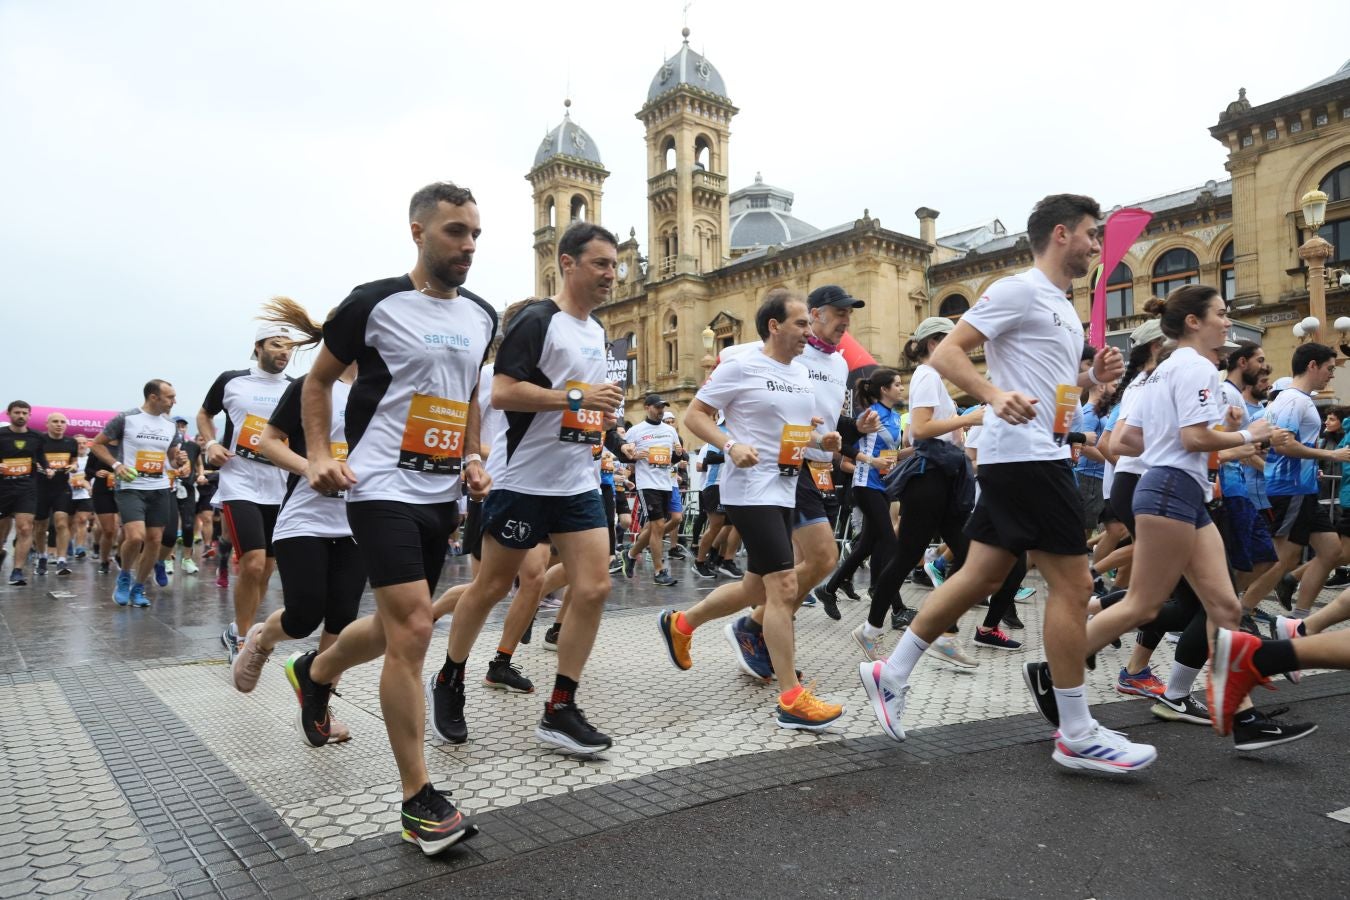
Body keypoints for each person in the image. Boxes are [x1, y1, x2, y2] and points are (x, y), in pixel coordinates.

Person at [857, 194, 1152, 773]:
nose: (1098, 246)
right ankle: (1076, 731)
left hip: (1032, 452)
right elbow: (946, 354)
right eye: (1092, 234)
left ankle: (889, 674)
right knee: (1072, 586)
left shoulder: (1063, 306)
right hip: (1022, 458)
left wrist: (1093, 381)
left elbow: (1051, 388)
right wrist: (992, 395)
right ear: (1061, 233)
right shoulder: (1018, 288)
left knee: (980, 575)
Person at [284, 181, 494, 855]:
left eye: (474, 235)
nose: (467, 245)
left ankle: (314, 672)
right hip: (378, 487)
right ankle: (418, 801)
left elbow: (463, 400)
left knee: (404, 622)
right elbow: (317, 382)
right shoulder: (373, 303)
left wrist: (472, 456)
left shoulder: (483, 315)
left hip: (439, 497)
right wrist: (318, 453)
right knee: (411, 628)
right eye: (455, 232)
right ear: (418, 232)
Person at [429, 221, 622, 757]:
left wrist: (593, 423)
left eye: (615, 265)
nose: (611, 274)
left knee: (595, 587)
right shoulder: (540, 320)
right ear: (568, 262)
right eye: (601, 264)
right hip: (524, 482)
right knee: (490, 587)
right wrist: (578, 399)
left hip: (577, 482)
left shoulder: (596, 330)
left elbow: (576, 404)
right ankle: (450, 677)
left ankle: (560, 707)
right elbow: (505, 392)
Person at [657, 284, 872, 683]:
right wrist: (731, 443)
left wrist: (830, 437)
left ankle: (684, 623)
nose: (842, 321)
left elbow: (800, 425)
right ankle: (787, 689)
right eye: (809, 320)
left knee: (761, 587)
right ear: (781, 324)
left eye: (849, 314)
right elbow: (700, 410)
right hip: (755, 484)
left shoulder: (821, 369)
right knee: (786, 584)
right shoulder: (748, 360)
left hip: (793, 475)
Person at [230, 302, 362, 749]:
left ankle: (318, 703)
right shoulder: (313, 385)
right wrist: (311, 467)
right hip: (306, 517)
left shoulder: (384, 392)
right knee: (305, 615)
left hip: (359, 520)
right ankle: (261, 639)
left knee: (342, 619)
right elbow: (269, 440)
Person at [849, 319, 995, 663]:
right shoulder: (927, 376)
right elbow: (921, 429)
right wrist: (967, 420)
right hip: (929, 479)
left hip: (942, 477)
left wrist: (960, 424)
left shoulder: (934, 379)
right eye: (955, 342)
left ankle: (944, 632)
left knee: (968, 557)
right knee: (906, 556)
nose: (963, 348)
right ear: (935, 343)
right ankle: (873, 630)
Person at [199, 319, 300, 660]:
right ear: (257, 347)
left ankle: (235, 628)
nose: (283, 352)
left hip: (280, 485)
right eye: (275, 344)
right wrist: (211, 442)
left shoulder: (297, 386)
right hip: (239, 481)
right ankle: (243, 638)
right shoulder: (232, 381)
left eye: (288, 346)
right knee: (253, 563)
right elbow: (204, 413)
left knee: (267, 567)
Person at [1238, 343, 1348, 619]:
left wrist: (1312, 466)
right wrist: (1330, 453)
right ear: (1312, 365)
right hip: (1291, 489)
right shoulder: (1293, 399)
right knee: (1283, 558)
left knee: (1331, 550)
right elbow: (1284, 445)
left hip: (1303, 488)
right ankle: (1239, 612)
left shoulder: (1298, 399)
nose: (1332, 375)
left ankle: (1300, 618)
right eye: (1329, 369)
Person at [813, 367, 904, 621]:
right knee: (890, 543)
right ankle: (897, 608)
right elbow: (846, 446)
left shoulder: (895, 417)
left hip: (884, 485)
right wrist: (870, 461)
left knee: (866, 545)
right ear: (884, 389)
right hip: (865, 484)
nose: (901, 388)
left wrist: (916, 450)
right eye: (896, 384)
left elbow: (892, 455)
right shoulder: (870, 415)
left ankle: (829, 589)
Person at [90, 380, 186, 607]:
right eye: (170, 397)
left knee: (154, 539)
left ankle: (139, 587)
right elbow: (97, 444)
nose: (174, 401)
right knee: (135, 537)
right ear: (153, 397)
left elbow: (172, 458)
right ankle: (124, 576)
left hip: (160, 487)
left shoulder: (171, 425)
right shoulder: (127, 418)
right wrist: (116, 465)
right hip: (131, 486)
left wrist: (179, 460)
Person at [620, 395, 683, 586]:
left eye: (663, 407)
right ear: (647, 408)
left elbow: (673, 459)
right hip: (647, 484)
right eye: (657, 407)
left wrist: (678, 454)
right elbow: (624, 456)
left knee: (659, 526)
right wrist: (634, 456)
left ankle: (630, 553)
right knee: (657, 526)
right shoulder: (635, 431)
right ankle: (659, 571)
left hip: (666, 483)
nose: (661, 410)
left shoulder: (670, 430)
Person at [34, 412, 79, 577]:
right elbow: (34, 460)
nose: (59, 424)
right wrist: (43, 469)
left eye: (62, 422)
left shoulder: (71, 442)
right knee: (40, 526)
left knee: (61, 523)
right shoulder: (40, 441)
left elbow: (73, 459)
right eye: (55, 421)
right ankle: (42, 556)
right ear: (47, 424)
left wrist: (73, 466)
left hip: (62, 487)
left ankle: (61, 560)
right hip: (41, 487)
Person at [0, 400, 39, 585]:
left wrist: (46, 468)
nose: (21, 416)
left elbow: (42, 459)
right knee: (2, 531)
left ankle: (17, 571)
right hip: (2, 488)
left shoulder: (37, 437)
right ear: (9, 414)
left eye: (24, 413)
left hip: (26, 488)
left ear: (29, 415)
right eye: (17, 412)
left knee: (25, 527)